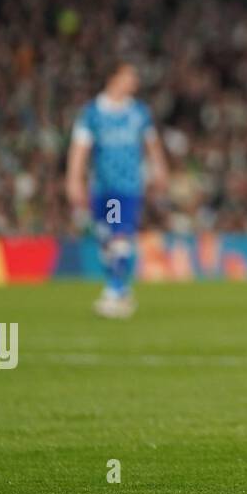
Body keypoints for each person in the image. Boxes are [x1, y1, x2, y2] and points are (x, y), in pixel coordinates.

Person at [65, 63, 167, 318]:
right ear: (113, 77)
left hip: (129, 186)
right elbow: (80, 148)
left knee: (121, 235)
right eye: (129, 75)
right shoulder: (92, 113)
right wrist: (73, 180)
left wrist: (160, 169)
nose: (134, 80)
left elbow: (151, 143)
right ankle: (121, 290)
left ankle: (114, 290)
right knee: (106, 239)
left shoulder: (139, 112)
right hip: (102, 187)